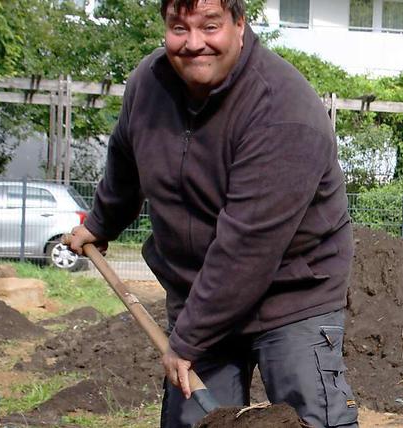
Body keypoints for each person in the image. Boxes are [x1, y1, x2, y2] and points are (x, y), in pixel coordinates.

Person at [64, 0, 358, 426]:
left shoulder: (281, 109)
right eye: (179, 28)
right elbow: (126, 162)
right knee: (194, 420)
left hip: (292, 294)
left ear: (240, 25)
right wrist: (100, 223)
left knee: (312, 419)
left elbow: (247, 249)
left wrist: (185, 342)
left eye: (210, 26)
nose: (194, 43)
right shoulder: (149, 85)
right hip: (198, 290)